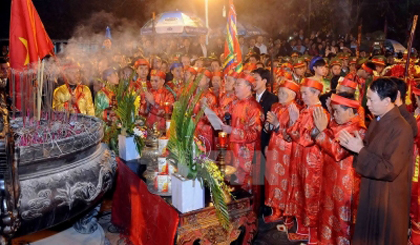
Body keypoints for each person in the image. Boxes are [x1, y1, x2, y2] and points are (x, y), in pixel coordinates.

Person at [338, 78, 414, 245]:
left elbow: (389, 168)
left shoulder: (401, 128)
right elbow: (369, 152)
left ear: (387, 101)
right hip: (371, 189)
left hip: (387, 196)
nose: (367, 104)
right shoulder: (377, 121)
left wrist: (360, 150)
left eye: (371, 100)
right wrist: (357, 148)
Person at [313, 93, 366, 244]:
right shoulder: (338, 123)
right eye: (333, 110)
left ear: (350, 111)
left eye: (337, 111)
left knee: (342, 219)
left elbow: (338, 152)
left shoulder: (358, 129)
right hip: (329, 179)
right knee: (327, 213)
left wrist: (323, 130)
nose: (334, 114)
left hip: (345, 184)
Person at [286, 78, 327, 244]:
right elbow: (293, 135)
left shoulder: (318, 112)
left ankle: (314, 236)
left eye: (305, 93)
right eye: (301, 92)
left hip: (312, 160)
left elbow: (307, 139)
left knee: (311, 197)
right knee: (300, 192)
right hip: (300, 157)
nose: (301, 96)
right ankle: (302, 229)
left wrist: (294, 121)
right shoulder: (305, 110)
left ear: (316, 93)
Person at [221, 73, 264, 194]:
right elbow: (222, 113)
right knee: (231, 186)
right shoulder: (235, 103)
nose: (234, 87)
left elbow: (254, 133)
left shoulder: (255, 108)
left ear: (249, 87)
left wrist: (232, 131)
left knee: (243, 190)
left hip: (247, 156)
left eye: (238, 84)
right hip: (233, 150)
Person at [264, 80, 300, 223]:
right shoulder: (275, 106)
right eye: (280, 92)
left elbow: (292, 135)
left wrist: (277, 125)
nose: (280, 95)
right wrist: (268, 124)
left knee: (286, 180)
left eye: (284, 93)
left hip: (287, 150)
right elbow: (268, 129)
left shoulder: (296, 110)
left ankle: (287, 214)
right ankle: (275, 210)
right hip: (274, 146)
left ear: (293, 95)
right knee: (272, 179)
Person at [194, 69, 218, 152]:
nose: (198, 79)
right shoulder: (194, 94)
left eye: (201, 77)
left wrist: (203, 111)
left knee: (205, 157)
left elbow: (212, 119)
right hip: (194, 129)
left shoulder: (210, 96)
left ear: (208, 80)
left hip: (205, 132)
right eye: (197, 77)